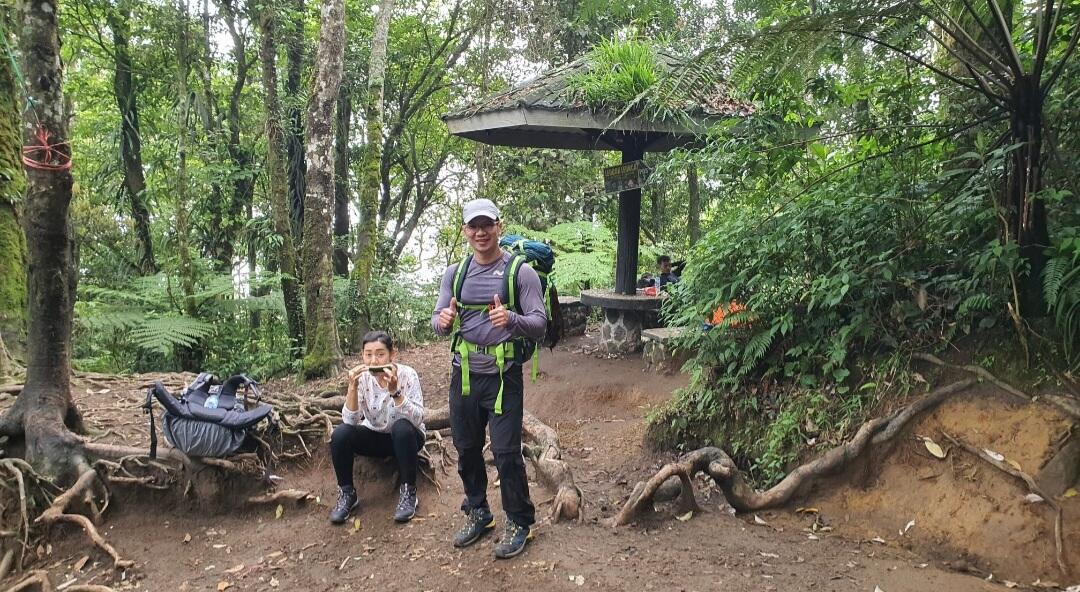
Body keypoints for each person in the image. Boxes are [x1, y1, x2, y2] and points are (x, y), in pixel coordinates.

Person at [432, 198, 547, 559]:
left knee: (506, 452)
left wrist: (511, 320)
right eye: (473, 226)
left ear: (499, 225)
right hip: (464, 375)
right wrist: (444, 321)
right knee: (465, 448)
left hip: (504, 377)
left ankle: (520, 521)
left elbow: (540, 324)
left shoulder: (520, 273)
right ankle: (479, 512)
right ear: (465, 231)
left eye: (487, 225)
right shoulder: (456, 273)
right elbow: (436, 320)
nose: (480, 232)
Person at [328, 331, 426, 524]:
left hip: (408, 437)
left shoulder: (407, 375)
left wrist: (395, 392)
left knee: (401, 428)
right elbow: (350, 422)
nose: (374, 360)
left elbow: (418, 418)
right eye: (368, 354)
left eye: (380, 354)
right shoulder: (363, 379)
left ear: (392, 354)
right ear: (362, 356)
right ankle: (347, 493)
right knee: (340, 434)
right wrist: (352, 388)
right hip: (375, 436)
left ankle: (409, 493)